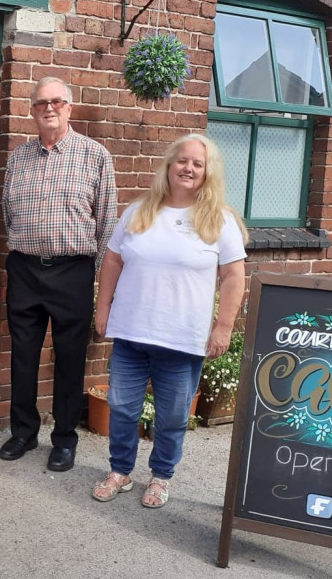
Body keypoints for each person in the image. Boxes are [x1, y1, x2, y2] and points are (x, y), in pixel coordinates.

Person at [91, 133, 247, 508]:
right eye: (182, 160)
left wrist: (223, 326)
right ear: (169, 165)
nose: (188, 168)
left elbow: (233, 276)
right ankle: (120, 471)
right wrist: (102, 307)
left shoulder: (219, 220)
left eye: (198, 163)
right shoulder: (140, 210)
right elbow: (112, 260)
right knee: (123, 407)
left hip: (182, 339)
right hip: (132, 332)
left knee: (173, 416)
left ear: (208, 172)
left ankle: (161, 476)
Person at [0, 77, 118, 472]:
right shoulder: (17, 158)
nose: (48, 108)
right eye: (40, 103)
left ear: (69, 108)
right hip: (26, 270)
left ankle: (64, 439)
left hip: (72, 272)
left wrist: (91, 273)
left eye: (56, 102)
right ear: (32, 111)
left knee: (70, 359)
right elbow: (8, 213)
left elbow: (106, 222)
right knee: (23, 356)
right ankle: (23, 432)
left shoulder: (95, 156)